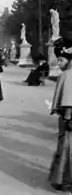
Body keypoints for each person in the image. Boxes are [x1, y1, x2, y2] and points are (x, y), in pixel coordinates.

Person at [49, 38, 72, 192]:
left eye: (61, 60)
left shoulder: (67, 75)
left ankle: (64, 179)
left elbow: (69, 100)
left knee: (66, 148)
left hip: (69, 116)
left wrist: (68, 117)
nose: (59, 64)